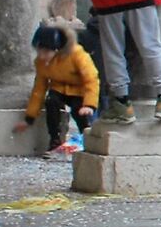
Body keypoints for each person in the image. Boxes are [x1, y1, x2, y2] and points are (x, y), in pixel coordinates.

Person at [16, 23, 101, 156]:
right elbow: (39, 89)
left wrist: (89, 104)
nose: (42, 56)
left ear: (57, 49)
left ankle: (87, 139)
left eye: (46, 52)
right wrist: (29, 118)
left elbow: (91, 79)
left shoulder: (77, 54)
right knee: (52, 102)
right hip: (59, 89)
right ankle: (55, 140)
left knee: (80, 112)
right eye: (39, 51)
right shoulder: (41, 62)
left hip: (80, 90)